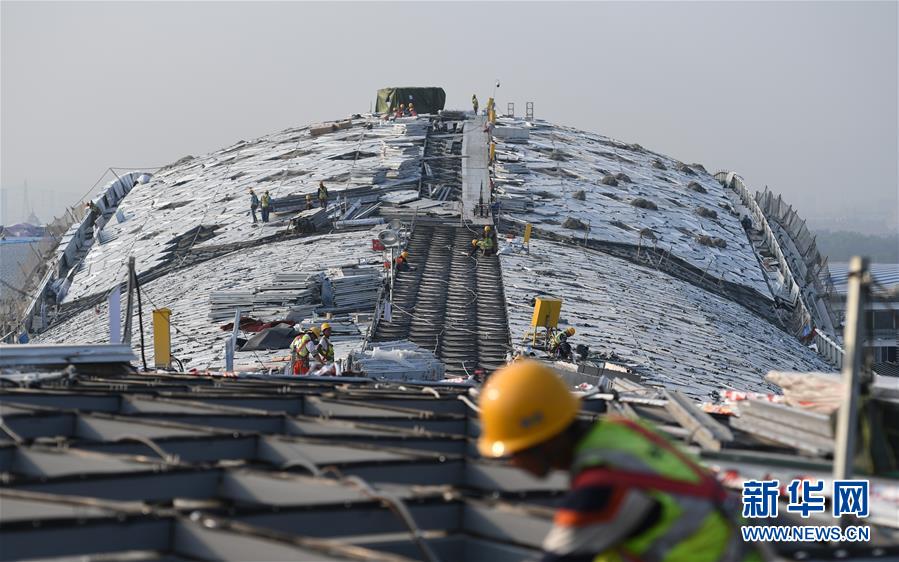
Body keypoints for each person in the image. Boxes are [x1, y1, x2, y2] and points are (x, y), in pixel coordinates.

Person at [477, 361, 757, 562]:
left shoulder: (600, 489)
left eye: (517, 451)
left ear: (546, 441)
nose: (513, 463)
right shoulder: (622, 431)